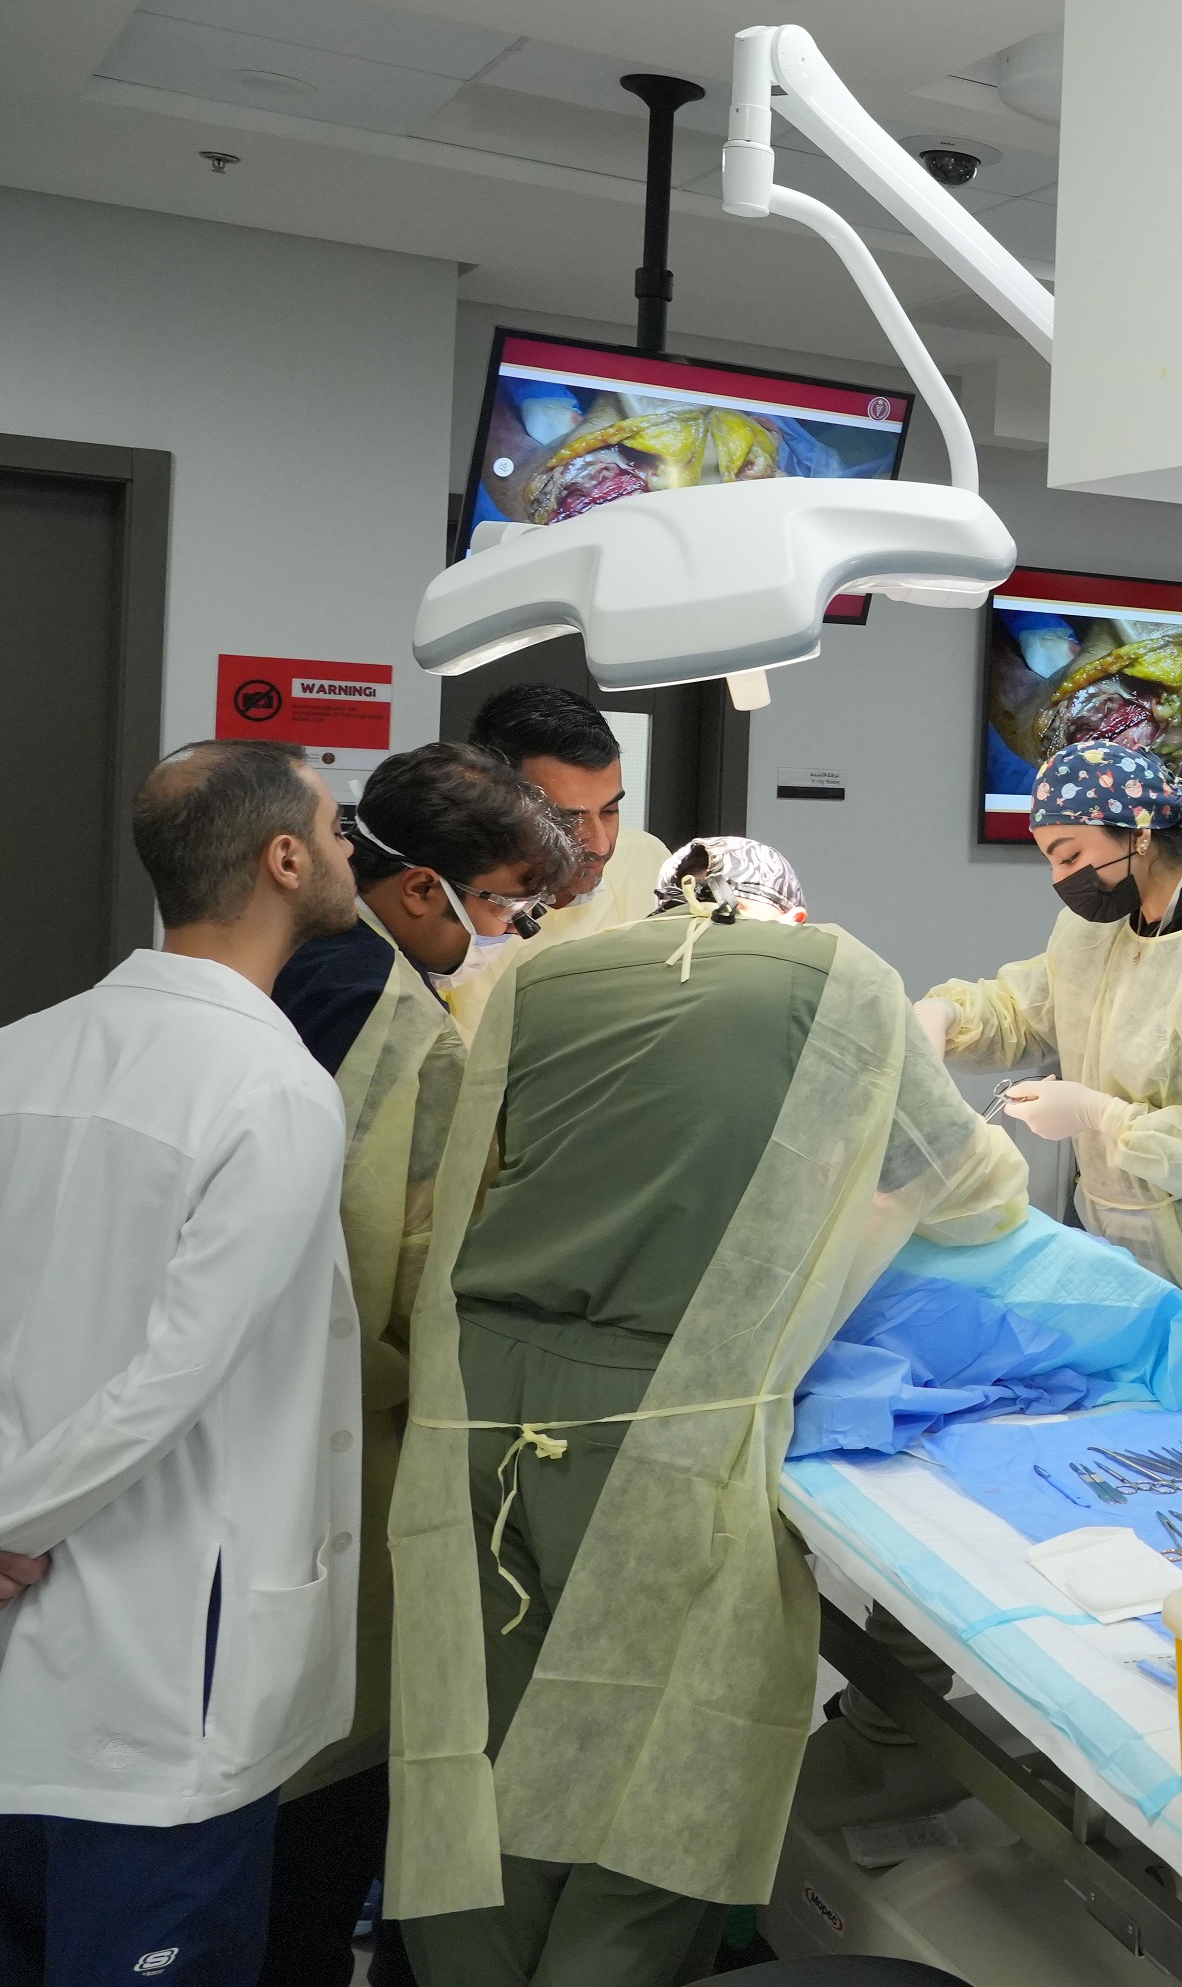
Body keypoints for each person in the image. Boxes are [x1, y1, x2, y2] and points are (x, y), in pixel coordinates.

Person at [386, 839, 1029, 1987]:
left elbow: (481, 1173)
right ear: (791, 908)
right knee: (667, 1741)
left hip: (482, 1400)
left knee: (481, 1727)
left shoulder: (544, 978)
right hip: (669, 1406)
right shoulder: (838, 976)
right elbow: (968, 1184)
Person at [0, 743, 362, 1987]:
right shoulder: (274, 1091)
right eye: (337, 824)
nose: (352, 846)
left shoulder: (23, 1051)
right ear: (282, 859)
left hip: (28, 1674)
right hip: (158, 1694)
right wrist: (12, 1521)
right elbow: (177, 1367)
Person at [262, 747, 576, 1987]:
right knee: (335, 1776)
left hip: (295, 1435)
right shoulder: (383, 1018)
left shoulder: (309, 969)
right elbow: (383, 1263)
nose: (500, 931)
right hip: (343, 1434)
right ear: (417, 889)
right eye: (497, 902)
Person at [919, 746, 1182, 1326]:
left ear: (1139, 831)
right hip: (1114, 1257)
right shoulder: (1098, 930)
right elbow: (1026, 1007)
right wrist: (946, 1016)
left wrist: (1101, 1116)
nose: (1062, 880)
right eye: (1051, 863)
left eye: (1070, 855)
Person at [442, 688, 672, 1034]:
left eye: (610, 811)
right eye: (568, 820)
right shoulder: (450, 900)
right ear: (494, 806)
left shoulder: (647, 861)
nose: (599, 844)